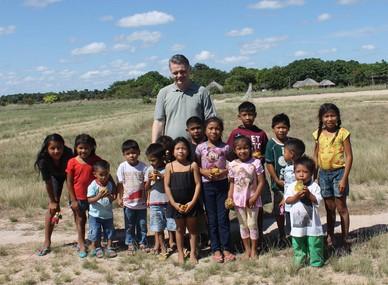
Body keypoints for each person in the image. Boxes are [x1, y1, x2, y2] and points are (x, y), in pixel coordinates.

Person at [226, 101, 269, 249]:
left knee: (258, 208)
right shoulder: (235, 133)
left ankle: (259, 238)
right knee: (243, 216)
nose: (248, 117)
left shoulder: (261, 133)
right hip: (240, 179)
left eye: (251, 114)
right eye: (244, 115)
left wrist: (260, 157)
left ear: (255, 115)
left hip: (256, 176)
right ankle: (246, 243)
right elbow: (229, 152)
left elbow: (266, 152)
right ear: (239, 116)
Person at [313, 103, 353, 248]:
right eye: (326, 116)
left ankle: (345, 238)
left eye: (332, 115)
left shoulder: (343, 133)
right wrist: (314, 177)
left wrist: (344, 179)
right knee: (329, 208)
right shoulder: (318, 133)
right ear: (321, 118)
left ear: (338, 117)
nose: (330, 119)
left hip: (339, 174)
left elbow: (349, 157)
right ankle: (330, 237)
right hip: (323, 174)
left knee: (341, 207)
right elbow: (316, 156)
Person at [196, 117, 235, 263]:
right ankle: (216, 249)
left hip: (222, 185)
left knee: (223, 217)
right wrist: (203, 172)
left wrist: (224, 172)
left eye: (217, 128)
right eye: (211, 128)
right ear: (205, 130)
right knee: (211, 219)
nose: (214, 131)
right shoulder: (200, 148)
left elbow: (233, 164)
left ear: (222, 130)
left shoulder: (226, 148)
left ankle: (226, 248)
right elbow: (195, 166)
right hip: (207, 186)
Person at [152, 54, 216, 142]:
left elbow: (210, 121)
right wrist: (155, 148)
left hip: (198, 148)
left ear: (189, 69)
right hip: (172, 148)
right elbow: (159, 122)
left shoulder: (202, 92)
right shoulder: (163, 93)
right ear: (170, 73)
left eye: (183, 71)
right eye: (175, 73)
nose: (179, 75)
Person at [164, 137, 203, 264]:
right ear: (173, 151)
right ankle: (180, 253)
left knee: (192, 229)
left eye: (184, 148)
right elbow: (167, 186)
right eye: (178, 148)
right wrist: (174, 204)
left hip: (191, 204)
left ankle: (192, 253)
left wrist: (192, 202)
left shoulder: (193, 165)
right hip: (176, 205)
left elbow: (198, 184)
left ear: (188, 150)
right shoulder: (169, 166)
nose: (181, 151)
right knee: (179, 229)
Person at [227, 136, 266, 259]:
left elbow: (261, 182)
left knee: (252, 224)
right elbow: (232, 182)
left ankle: (254, 250)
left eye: (245, 148)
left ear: (250, 149)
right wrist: (229, 197)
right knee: (242, 225)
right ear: (234, 150)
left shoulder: (256, 163)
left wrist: (255, 196)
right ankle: (247, 250)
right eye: (239, 148)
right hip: (238, 200)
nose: (242, 151)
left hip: (252, 199)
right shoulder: (232, 165)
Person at [34, 134, 73, 256]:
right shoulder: (43, 160)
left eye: (59, 148)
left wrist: (72, 196)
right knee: (52, 209)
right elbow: (48, 182)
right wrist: (53, 201)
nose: (56, 151)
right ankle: (47, 242)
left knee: (76, 205)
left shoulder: (69, 153)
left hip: (69, 176)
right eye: (53, 148)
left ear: (63, 147)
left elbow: (70, 177)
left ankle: (83, 241)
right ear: (47, 148)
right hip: (54, 177)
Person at [66, 134, 102, 258]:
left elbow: (105, 173)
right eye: (80, 148)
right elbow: (69, 182)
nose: (83, 151)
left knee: (95, 221)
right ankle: (81, 243)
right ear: (76, 148)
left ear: (92, 148)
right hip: (79, 197)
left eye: (86, 148)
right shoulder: (72, 162)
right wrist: (73, 199)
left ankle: (93, 244)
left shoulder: (96, 160)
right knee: (80, 220)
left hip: (94, 197)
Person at [285, 156, 324, 268]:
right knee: (298, 243)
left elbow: (318, 201)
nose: (301, 174)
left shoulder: (314, 186)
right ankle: (300, 261)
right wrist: (296, 196)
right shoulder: (292, 186)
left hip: (313, 225)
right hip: (297, 225)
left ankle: (316, 262)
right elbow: (288, 200)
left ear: (311, 173)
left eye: (305, 172)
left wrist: (309, 195)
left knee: (314, 243)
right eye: (298, 171)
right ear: (294, 173)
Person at [145, 143, 176, 260]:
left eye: (153, 160)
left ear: (162, 158)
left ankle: (175, 245)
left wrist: (161, 176)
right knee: (158, 227)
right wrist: (149, 179)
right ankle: (163, 248)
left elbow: (172, 183)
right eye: (150, 160)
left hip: (168, 202)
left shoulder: (168, 167)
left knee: (171, 224)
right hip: (154, 203)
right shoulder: (149, 169)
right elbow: (146, 187)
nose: (152, 163)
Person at [117, 139, 148, 255]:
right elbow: (120, 184)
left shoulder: (143, 167)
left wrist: (148, 198)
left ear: (139, 152)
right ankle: (130, 243)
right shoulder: (122, 167)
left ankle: (142, 242)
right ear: (124, 155)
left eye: (134, 152)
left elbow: (146, 185)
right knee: (129, 224)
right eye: (128, 153)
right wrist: (119, 198)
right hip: (128, 203)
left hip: (141, 202)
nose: (131, 155)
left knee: (142, 224)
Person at [265, 113, 291, 243]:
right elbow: (269, 163)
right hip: (279, 185)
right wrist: (275, 179)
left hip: (291, 185)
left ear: (288, 128)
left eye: (284, 127)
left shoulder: (291, 143)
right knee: (280, 210)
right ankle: (281, 233)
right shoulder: (271, 144)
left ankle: (292, 232)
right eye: (278, 127)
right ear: (273, 128)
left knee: (292, 209)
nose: (281, 130)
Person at [87, 160, 116, 258]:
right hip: (95, 214)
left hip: (107, 214)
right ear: (95, 174)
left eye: (106, 174)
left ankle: (109, 247)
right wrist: (99, 196)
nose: (104, 177)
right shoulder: (93, 185)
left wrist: (109, 196)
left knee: (109, 232)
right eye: (101, 175)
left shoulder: (110, 185)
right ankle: (97, 247)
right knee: (95, 232)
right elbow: (90, 200)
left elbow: (112, 199)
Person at [155, 135, 176, 250]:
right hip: (159, 197)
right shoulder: (156, 165)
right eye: (163, 150)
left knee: (171, 218)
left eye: (168, 149)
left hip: (172, 196)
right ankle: (158, 242)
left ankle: (172, 239)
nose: (166, 152)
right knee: (158, 219)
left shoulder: (173, 163)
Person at [283, 138, 306, 237]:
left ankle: (301, 242)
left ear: (291, 154)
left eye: (284, 152)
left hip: (298, 204)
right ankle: (293, 242)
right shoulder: (288, 167)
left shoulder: (301, 169)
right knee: (290, 224)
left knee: (299, 226)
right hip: (289, 204)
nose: (283, 154)